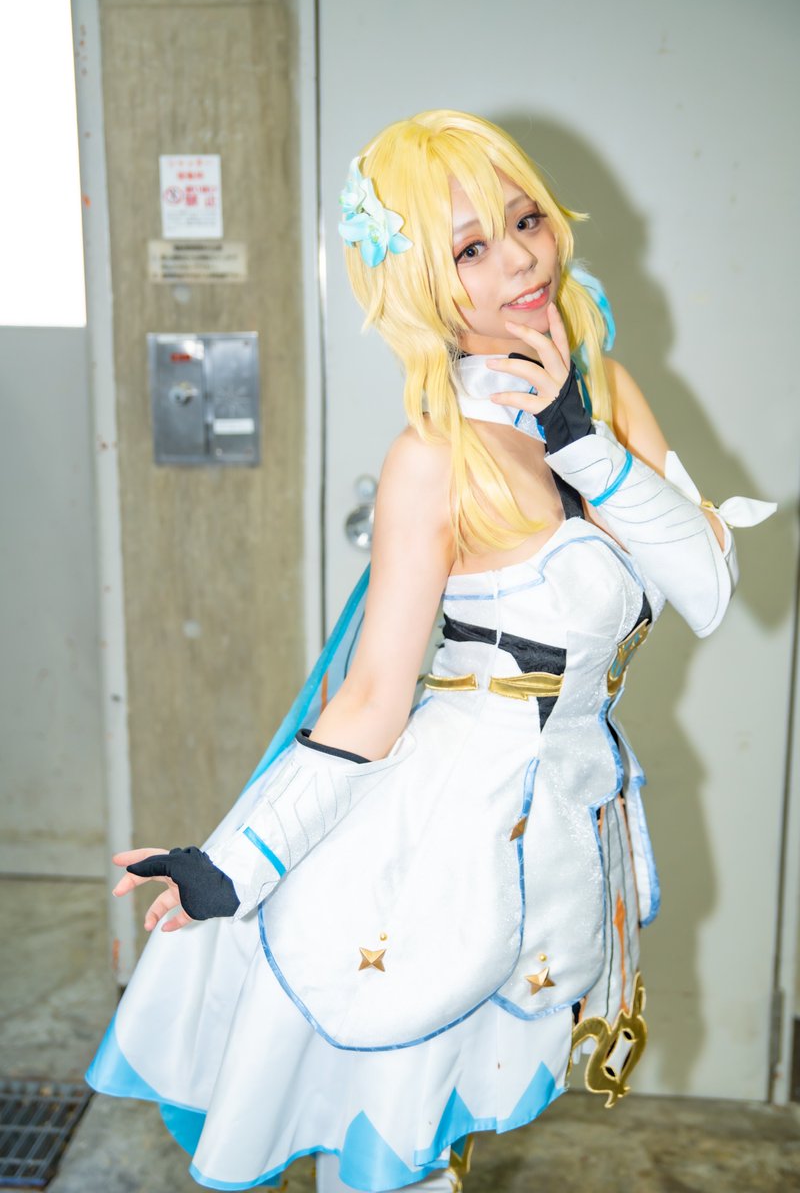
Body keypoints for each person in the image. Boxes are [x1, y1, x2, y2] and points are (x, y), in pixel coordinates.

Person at [86, 110, 775, 1192]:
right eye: (470, 248)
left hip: (562, 821)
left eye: (526, 222)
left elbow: (705, 589)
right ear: (420, 283)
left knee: (449, 1138)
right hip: (440, 838)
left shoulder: (601, 385)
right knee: (398, 1151)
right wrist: (233, 865)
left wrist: (582, 441)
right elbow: (370, 698)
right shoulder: (432, 461)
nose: (519, 263)